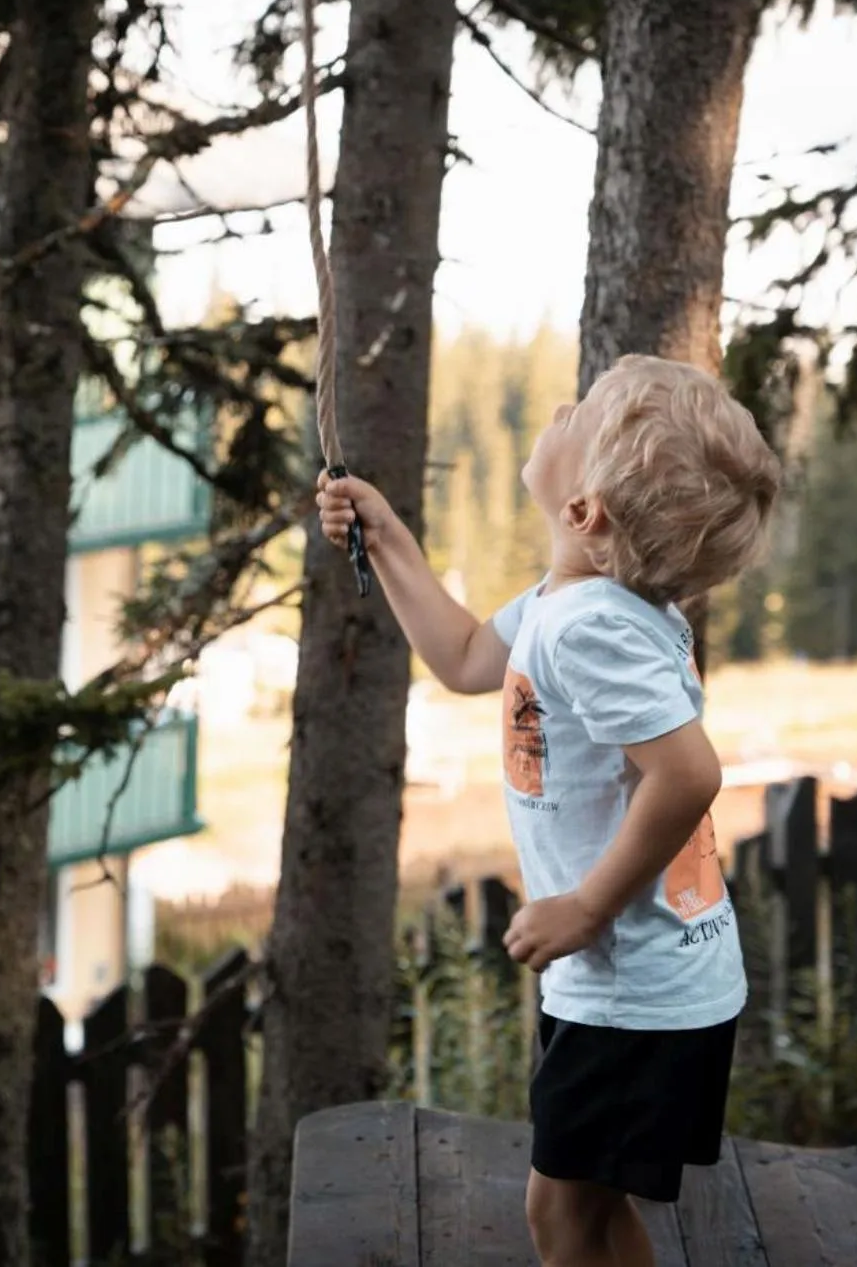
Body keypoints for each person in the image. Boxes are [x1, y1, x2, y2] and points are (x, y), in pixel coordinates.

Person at [315, 353, 781, 1267]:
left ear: (584, 513)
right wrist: (389, 536)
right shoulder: (575, 604)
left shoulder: (588, 625)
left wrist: (585, 906)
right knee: (589, 1212)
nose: (561, 408)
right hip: (641, 982)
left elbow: (687, 774)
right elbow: (459, 657)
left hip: (631, 986)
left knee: (560, 1219)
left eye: (580, 415)